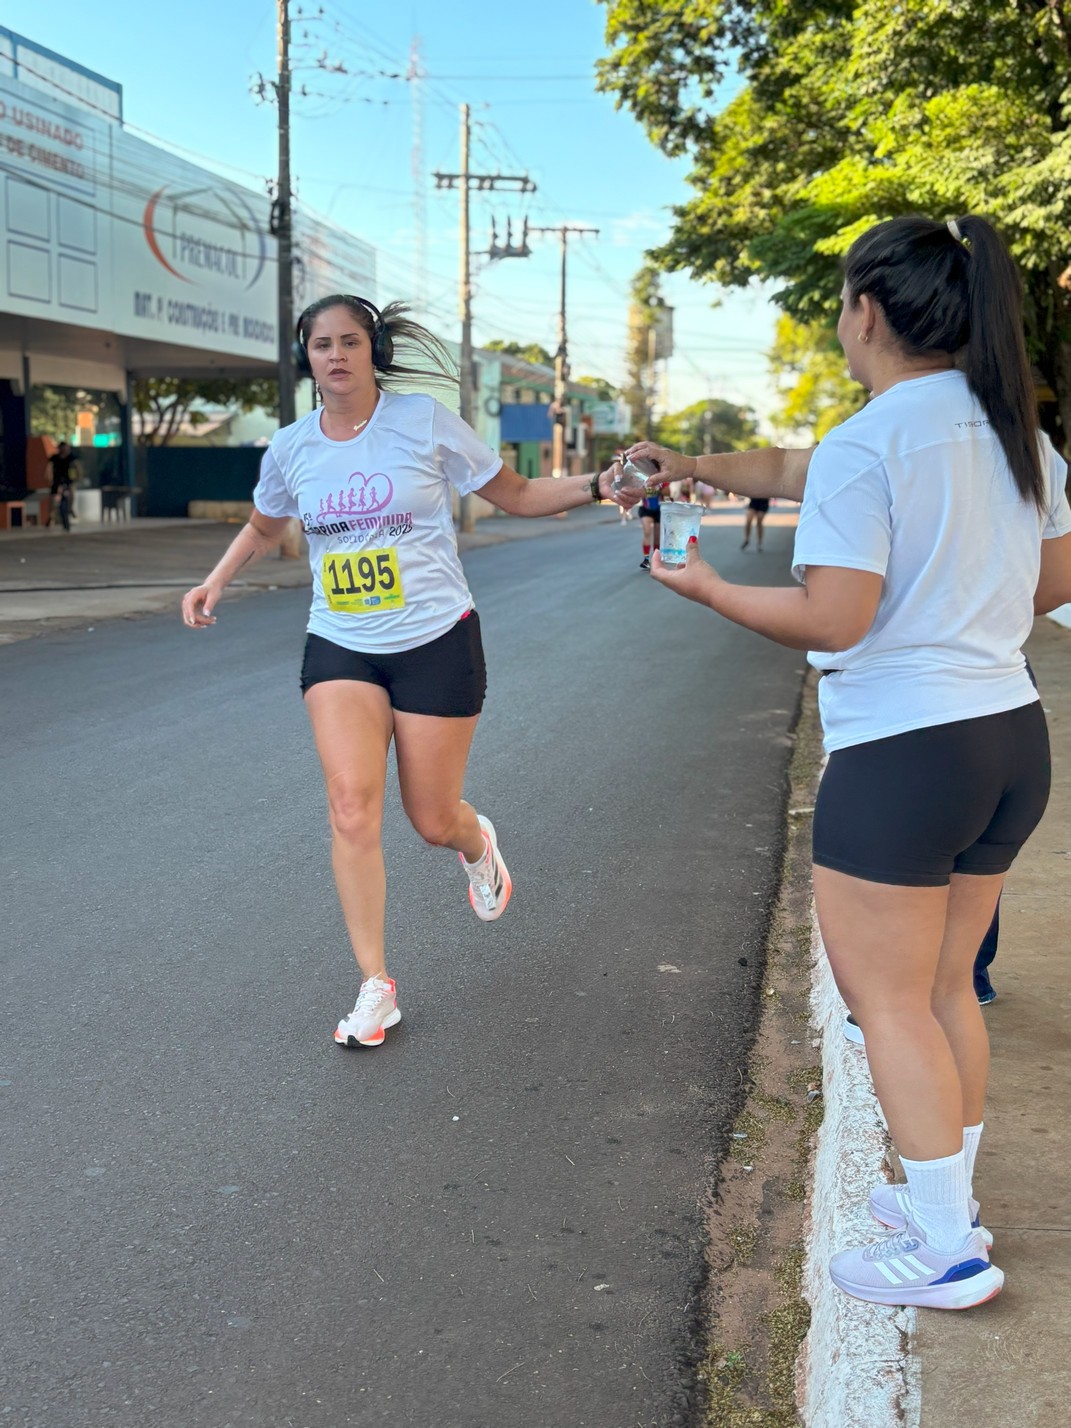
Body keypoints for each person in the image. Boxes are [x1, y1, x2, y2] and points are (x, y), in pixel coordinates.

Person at [628, 215, 1071, 1310]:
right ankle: (944, 1199)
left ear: (866, 311)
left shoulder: (869, 444)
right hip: (1009, 736)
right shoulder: (1016, 434)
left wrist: (711, 589)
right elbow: (1050, 588)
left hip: (904, 756)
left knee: (890, 1001)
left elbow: (835, 616)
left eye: (839, 301)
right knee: (942, 985)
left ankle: (944, 1252)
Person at [181, 294, 636, 1050]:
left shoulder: (423, 423)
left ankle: (473, 841)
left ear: (372, 350)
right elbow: (266, 523)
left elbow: (518, 495)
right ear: (308, 361)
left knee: (430, 818)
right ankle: (375, 986)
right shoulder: (291, 448)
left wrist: (598, 484)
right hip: (341, 643)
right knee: (352, 808)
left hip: (433, 639)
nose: (336, 355)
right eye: (321, 344)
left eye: (349, 341)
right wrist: (215, 579)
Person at [46, 441, 79, 532]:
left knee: (71, 492)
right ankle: (51, 515)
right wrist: (50, 480)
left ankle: (70, 508)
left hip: (68, 481)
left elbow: (77, 468)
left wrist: (76, 477)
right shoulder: (54, 458)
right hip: (57, 482)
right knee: (54, 499)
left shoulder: (71, 458)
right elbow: (49, 469)